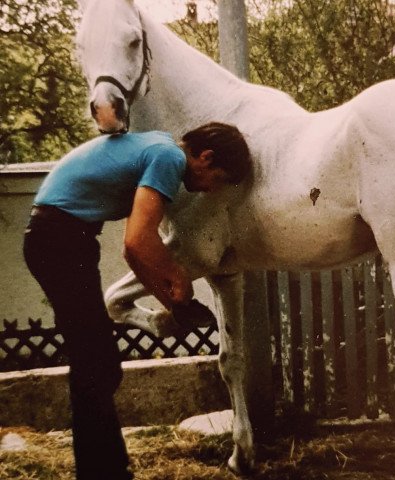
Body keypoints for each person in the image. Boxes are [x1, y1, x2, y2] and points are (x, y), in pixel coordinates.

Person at [22, 122, 251, 480]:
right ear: (205, 158)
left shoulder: (159, 146)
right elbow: (136, 241)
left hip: (67, 239)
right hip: (59, 240)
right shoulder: (168, 158)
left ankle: (109, 469)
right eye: (217, 179)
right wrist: (177, 280)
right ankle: (101, 472)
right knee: (95, 366)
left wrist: (172, 303)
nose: (210, 190)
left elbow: (136, 254)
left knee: (98, 365)